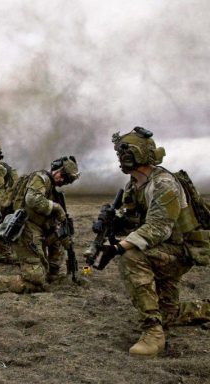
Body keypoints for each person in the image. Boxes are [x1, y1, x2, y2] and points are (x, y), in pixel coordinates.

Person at [91, 127, 210, 357]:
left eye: (125, 152)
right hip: (166, 249)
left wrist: (118, 248)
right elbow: (135, 220)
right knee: (169, 314)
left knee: (131, 256)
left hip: (181, 251)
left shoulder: (164, 184)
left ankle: (153, 333)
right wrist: (113, 223)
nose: (121, 157)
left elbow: (158, 228)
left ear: (138, 154)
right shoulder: (134, 185)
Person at [0, 156, 80, 294]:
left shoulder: (53, 190)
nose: (63, 181)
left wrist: (65, 240)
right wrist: (56, 208)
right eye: (63, 176)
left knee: (50, 267)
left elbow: (56, 229)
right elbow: (32, 199)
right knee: (36, 282)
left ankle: (50, 275)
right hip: (26, 230)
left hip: (39, 231)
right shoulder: (41, 178)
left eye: (67, 180)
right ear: (56, 169)